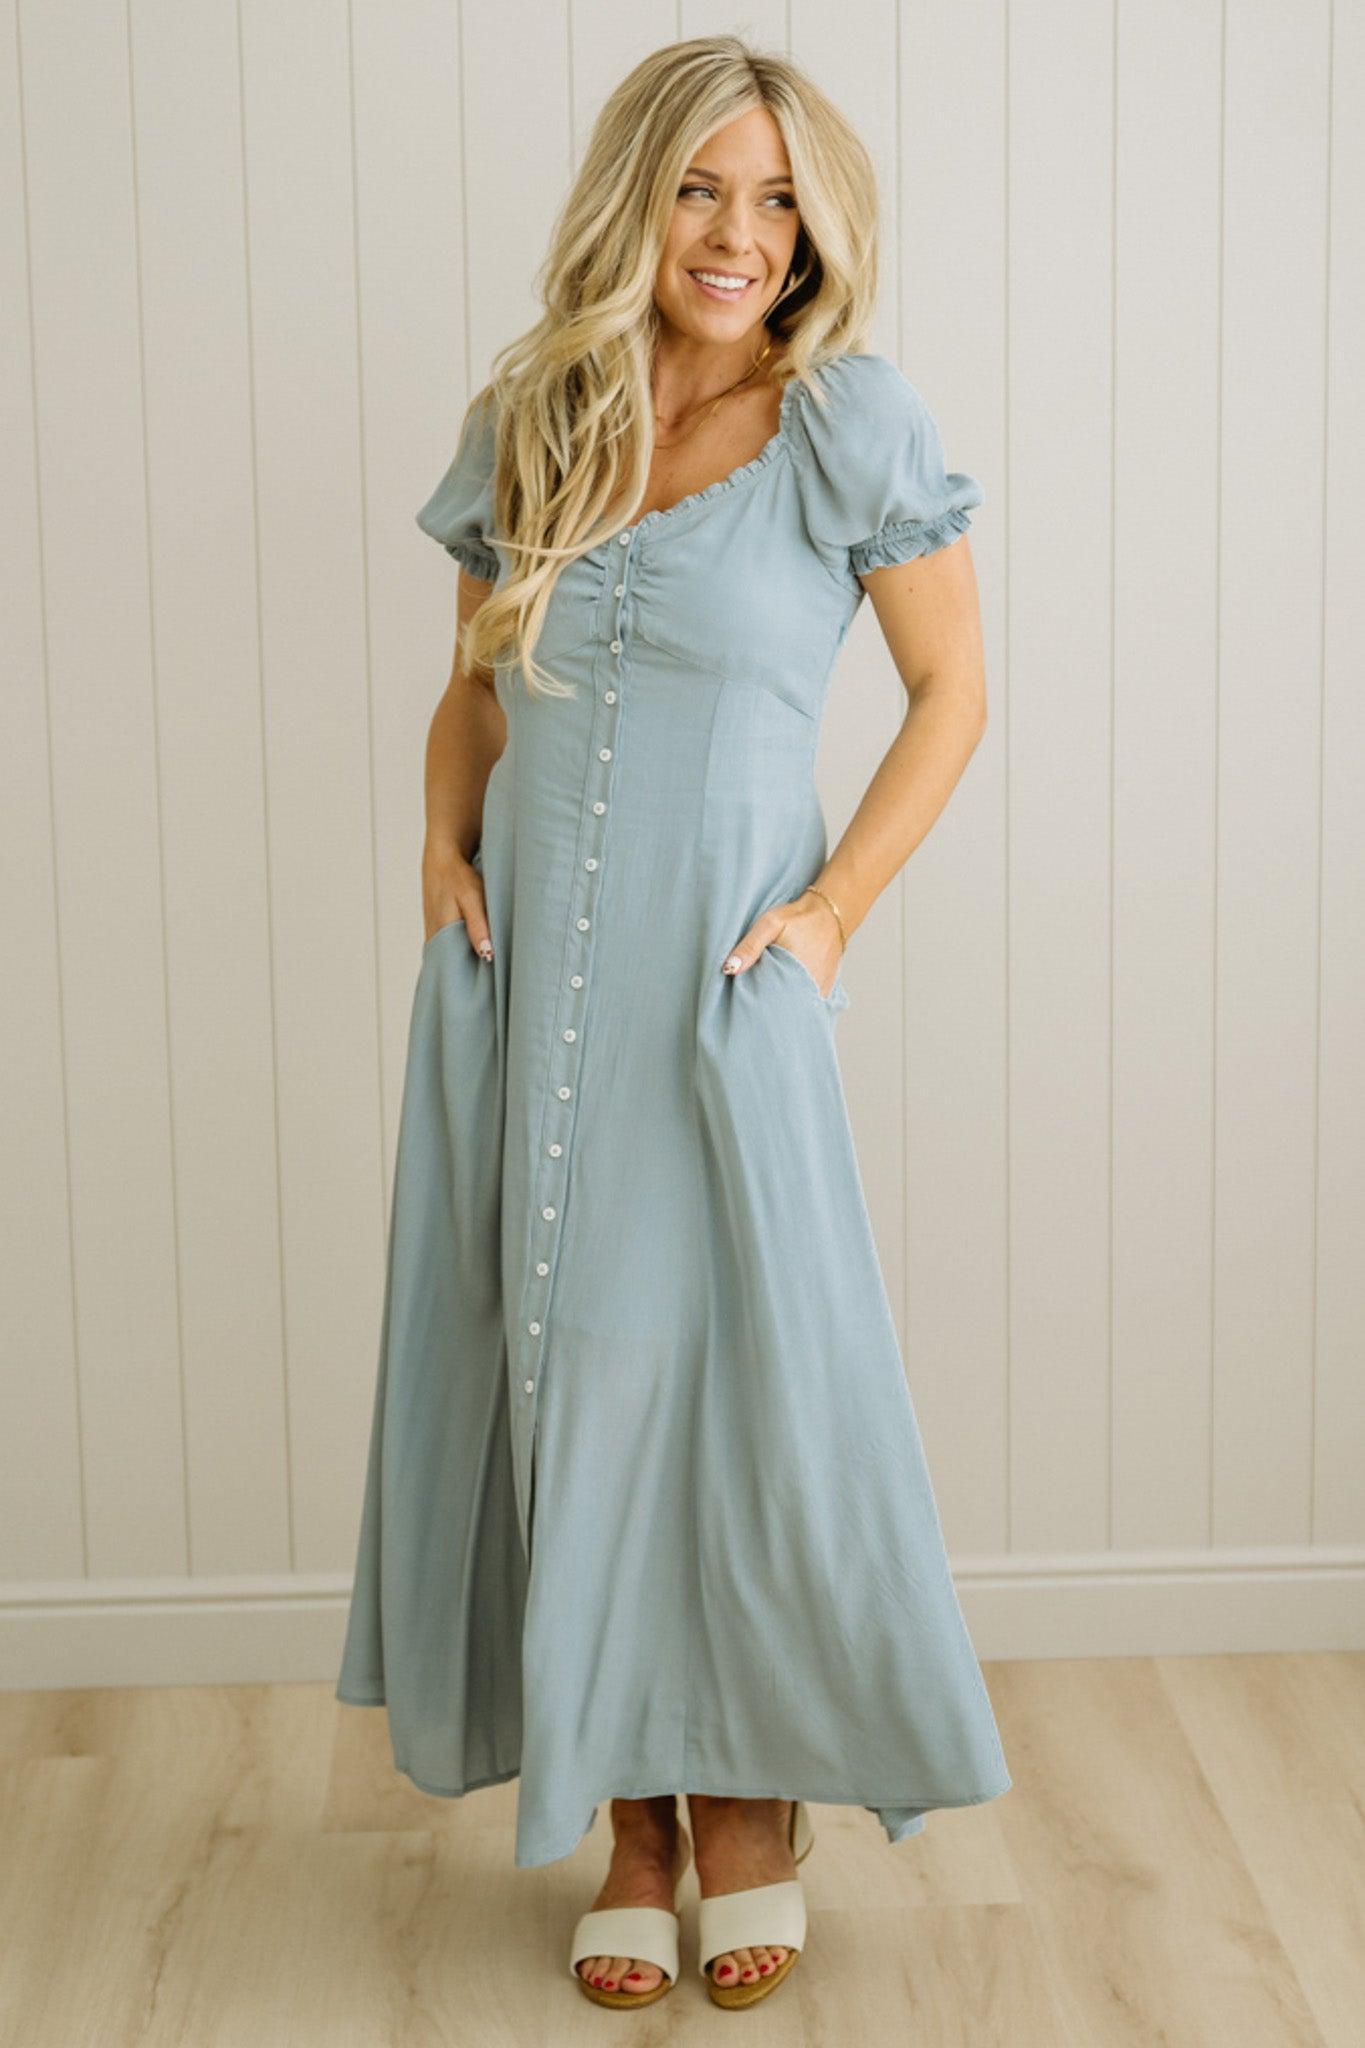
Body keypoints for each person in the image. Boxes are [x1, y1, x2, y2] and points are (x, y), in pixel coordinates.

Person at [335, 32, 1011, 2011]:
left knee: (730, 1385)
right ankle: (628, 1821)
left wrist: (827, 913)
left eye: (777, 198)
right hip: (521, 976)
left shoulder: (847, 424)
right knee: (556, 1372)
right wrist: (439, 847)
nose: (738, 232)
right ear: (635, 197)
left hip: (720, 986)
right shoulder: (535, 413)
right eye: (701, 187)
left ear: (815, 229)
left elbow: (953, 692)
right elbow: (475, 681)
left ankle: (745, 1804)